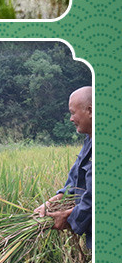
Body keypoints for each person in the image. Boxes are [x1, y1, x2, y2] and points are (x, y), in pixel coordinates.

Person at [35, 85, 93, 251]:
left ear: (90, 110)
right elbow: (74, 179)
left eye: (72, 112)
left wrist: (69, 217)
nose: (71, 119)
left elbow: (99, 197)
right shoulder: (90, 139)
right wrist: (50, 203)